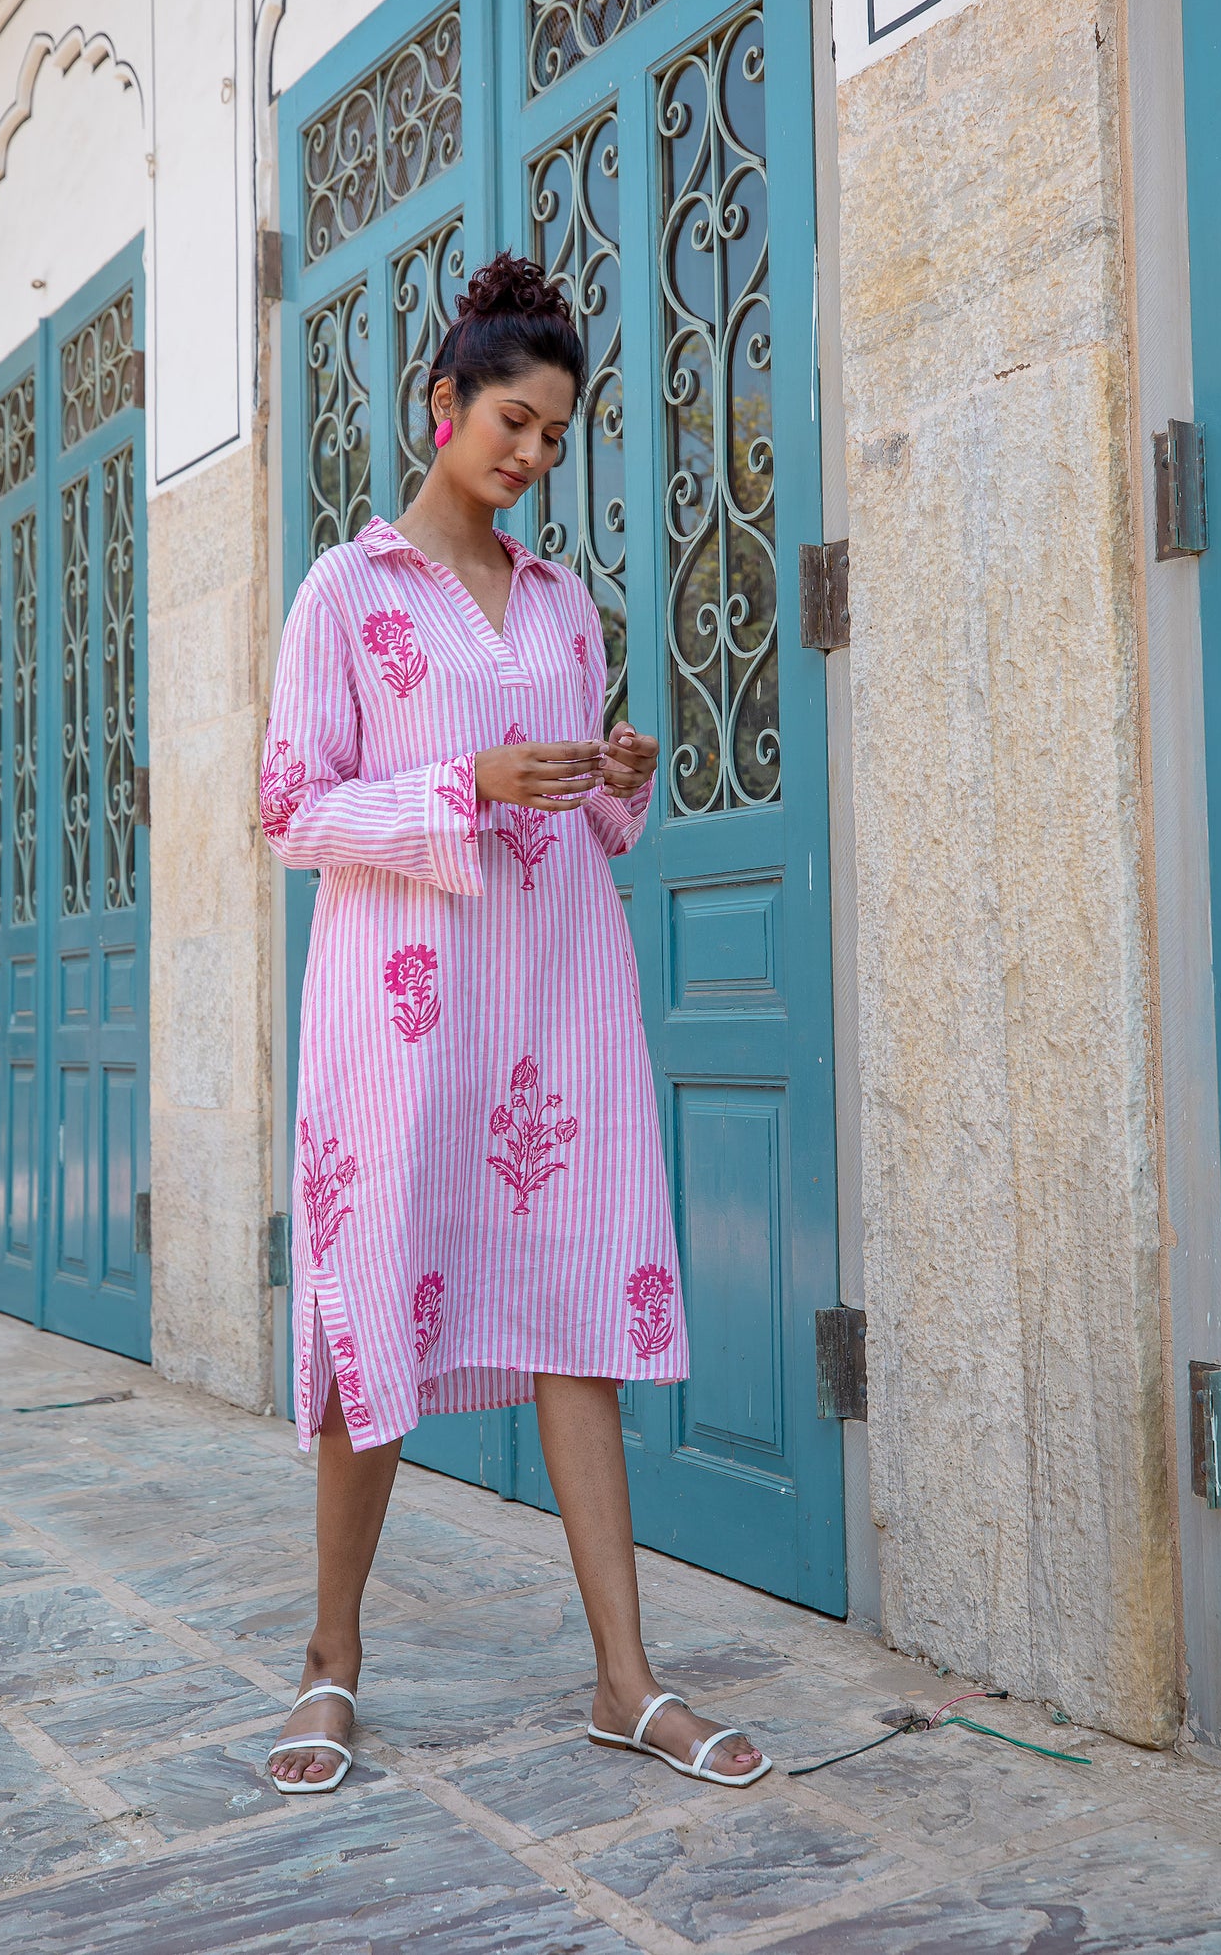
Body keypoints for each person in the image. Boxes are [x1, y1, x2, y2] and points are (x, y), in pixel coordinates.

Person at [258, 253, 769, 1794]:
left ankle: (627, 1677)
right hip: (403, 1015)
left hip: (556, 1005)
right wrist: (460, 788)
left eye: (554, 435)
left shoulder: (562, 604)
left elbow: (601, 827)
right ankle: (330, 1658)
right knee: (373, 1332)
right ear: (443, 406)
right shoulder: (346, 594)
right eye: (512, 422)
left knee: (577, 1324)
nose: (532, 456)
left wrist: (620, 768)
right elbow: (289, 808)